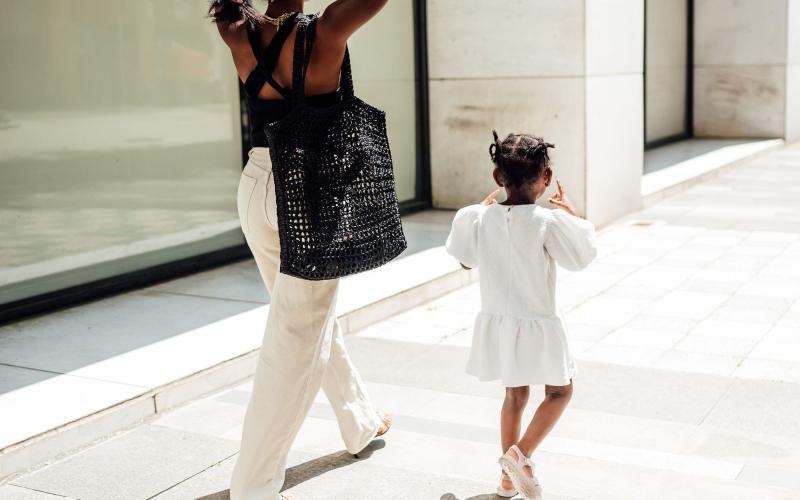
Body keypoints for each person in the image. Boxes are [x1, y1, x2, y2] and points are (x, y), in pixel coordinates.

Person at [208, 1, 391, 499]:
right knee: (291, 346)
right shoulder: (326, 30)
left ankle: (361, 420)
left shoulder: (235, 29)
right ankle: (253, 485)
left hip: (256, 185)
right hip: (306, 197)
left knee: (306, 323)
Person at [445, 131, 597, 499]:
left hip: (501, 322)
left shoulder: (476, 218)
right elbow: (580, 259)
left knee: (515, 396)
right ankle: (519, 455)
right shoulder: (548, 222)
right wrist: (572, 216)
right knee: (560, 390)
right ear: (546, 179)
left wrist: (480, 214)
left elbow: (465, 260)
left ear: (498, 178)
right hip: (540, 321)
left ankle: (507, 481)